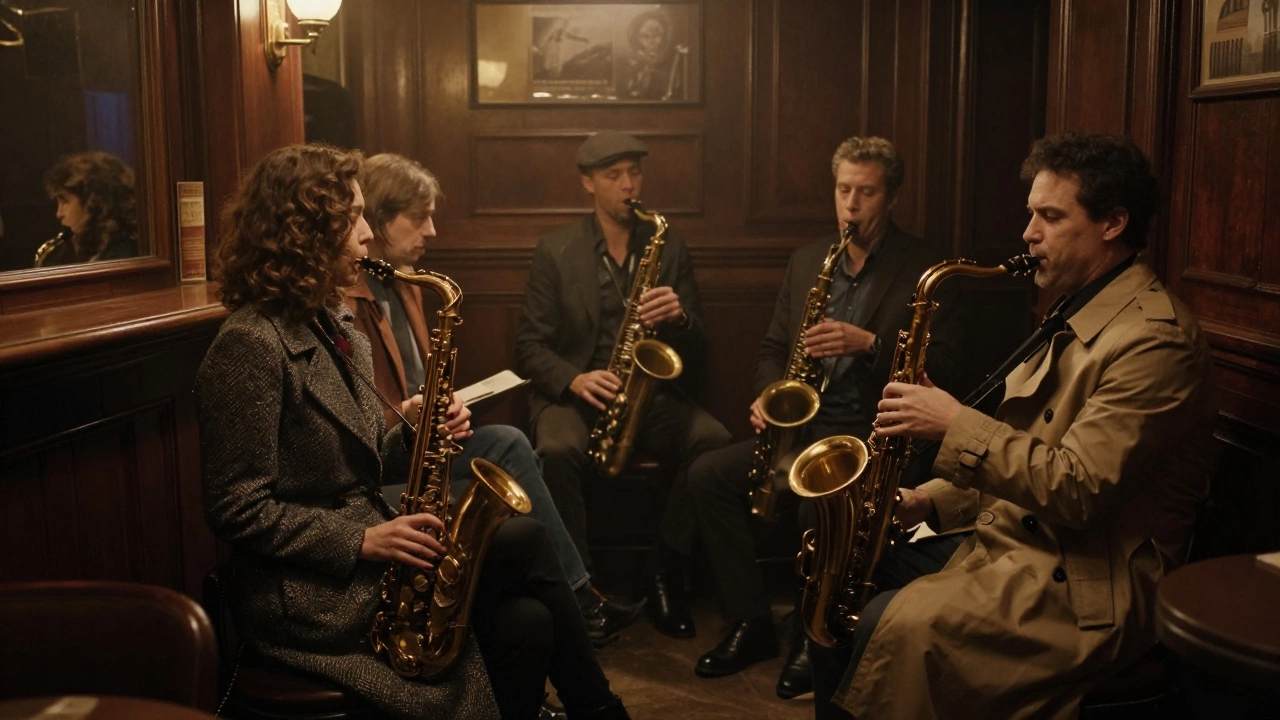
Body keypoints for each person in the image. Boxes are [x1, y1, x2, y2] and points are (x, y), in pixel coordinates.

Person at [197, 143, 629, 720]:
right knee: (522, 541)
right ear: (305, 232)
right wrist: (360, 541)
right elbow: (234, 507)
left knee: (529, 622)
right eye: (352, 220)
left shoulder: (333, 320)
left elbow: (370, 459)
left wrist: (420, 433)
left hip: (364, 556)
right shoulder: (249, 344)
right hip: (306, 591)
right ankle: (601, 710)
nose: (366, 236)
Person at [811, 132, 1216, 719]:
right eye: (1032, 214)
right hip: (1020, 545)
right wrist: (928, 500)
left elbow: (1077, 488)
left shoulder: (1154, 340)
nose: (1028, 233)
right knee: (842, 577)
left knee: (888, 625)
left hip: (1090, 585)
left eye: (1050, 216)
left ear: (1113, 223)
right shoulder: (1070, 306)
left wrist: (954, 424)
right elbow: (1027, 456)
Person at [684, 136, 963, 695]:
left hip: (870, 435)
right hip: (802, 428)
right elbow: (771, 351)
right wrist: (768, 396)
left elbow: (951, 363)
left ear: (892, 197)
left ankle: (816, 645)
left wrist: (868, 344)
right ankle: (752, 622)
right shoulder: (809, 260)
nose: (852, 205)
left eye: (867, 191)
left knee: (823, 505)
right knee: (707, 477)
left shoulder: (923, 266)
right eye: (843, 190)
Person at [347, 152, 644, 648]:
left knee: (508, 443)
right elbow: (360, 416)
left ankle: (574, 601)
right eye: (419, 218)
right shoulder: (350, 298)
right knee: (510, 443)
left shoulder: (407, 285)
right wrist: (415, 415)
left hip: (424, 443)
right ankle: (578, 602)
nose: (433, 231)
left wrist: (449, 407)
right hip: (390, 461)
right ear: (378, 219)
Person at [514, 131, 732, 639]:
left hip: (649, 393)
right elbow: (529, 347)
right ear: (587, 182)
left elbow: (699, 349)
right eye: (614, 176)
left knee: (713, 441)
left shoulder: (667, 245)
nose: (629, 185)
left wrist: (679, 320)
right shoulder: (556, 250)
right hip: (579, 392)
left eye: (635, 173)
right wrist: (574, 379)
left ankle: (666, 570)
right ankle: (580, 588)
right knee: (558, 449)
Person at [39, 151, 138, 266]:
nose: (58, 214)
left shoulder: (123, 255)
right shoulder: (101, 247)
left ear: (93, 201)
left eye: (64, 201)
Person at [622, 10, 684, 100]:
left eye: (657, 35)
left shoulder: (675, 60)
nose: (652, 41)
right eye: (645, 36)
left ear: (664, 36)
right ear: (637, 37)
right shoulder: (632, 63)